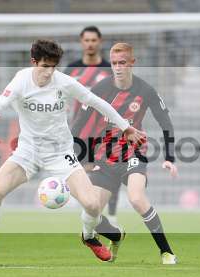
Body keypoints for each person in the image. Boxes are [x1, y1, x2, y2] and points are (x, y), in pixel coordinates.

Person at [0, 39, 145, 265]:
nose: (49, 72)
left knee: (92, 205)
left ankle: (89, 237)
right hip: (27, 152)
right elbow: (0, 102)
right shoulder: (21, 80)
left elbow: (97, 102)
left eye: (53, 66)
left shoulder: (64, 82)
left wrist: (125, 127)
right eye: (45, 66)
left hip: (60, 153)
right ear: (33, 62)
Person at [74, 42, 178, 264]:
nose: (118, 68)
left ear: (132, 63)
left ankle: (166, 252)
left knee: (137, 198)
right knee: (90, 213)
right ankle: (116, 235)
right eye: (114, 63)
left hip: (133, 154)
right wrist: (78, 156)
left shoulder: (145, 90)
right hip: (105, 157)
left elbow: (165, 122)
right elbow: (79, 123)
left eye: (123, 63)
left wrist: (170, 157)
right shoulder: (100, 89)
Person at [66, 26, 120, 224]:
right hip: (79, 132)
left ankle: (112, 216)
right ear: (82, 42)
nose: (90, 44)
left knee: (111, 173)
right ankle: (94, 214)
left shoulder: (109, 70)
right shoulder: (72, 70)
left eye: (93, 40)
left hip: (105, 132)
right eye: (86, 40)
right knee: (79, 173)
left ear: (100, 42)